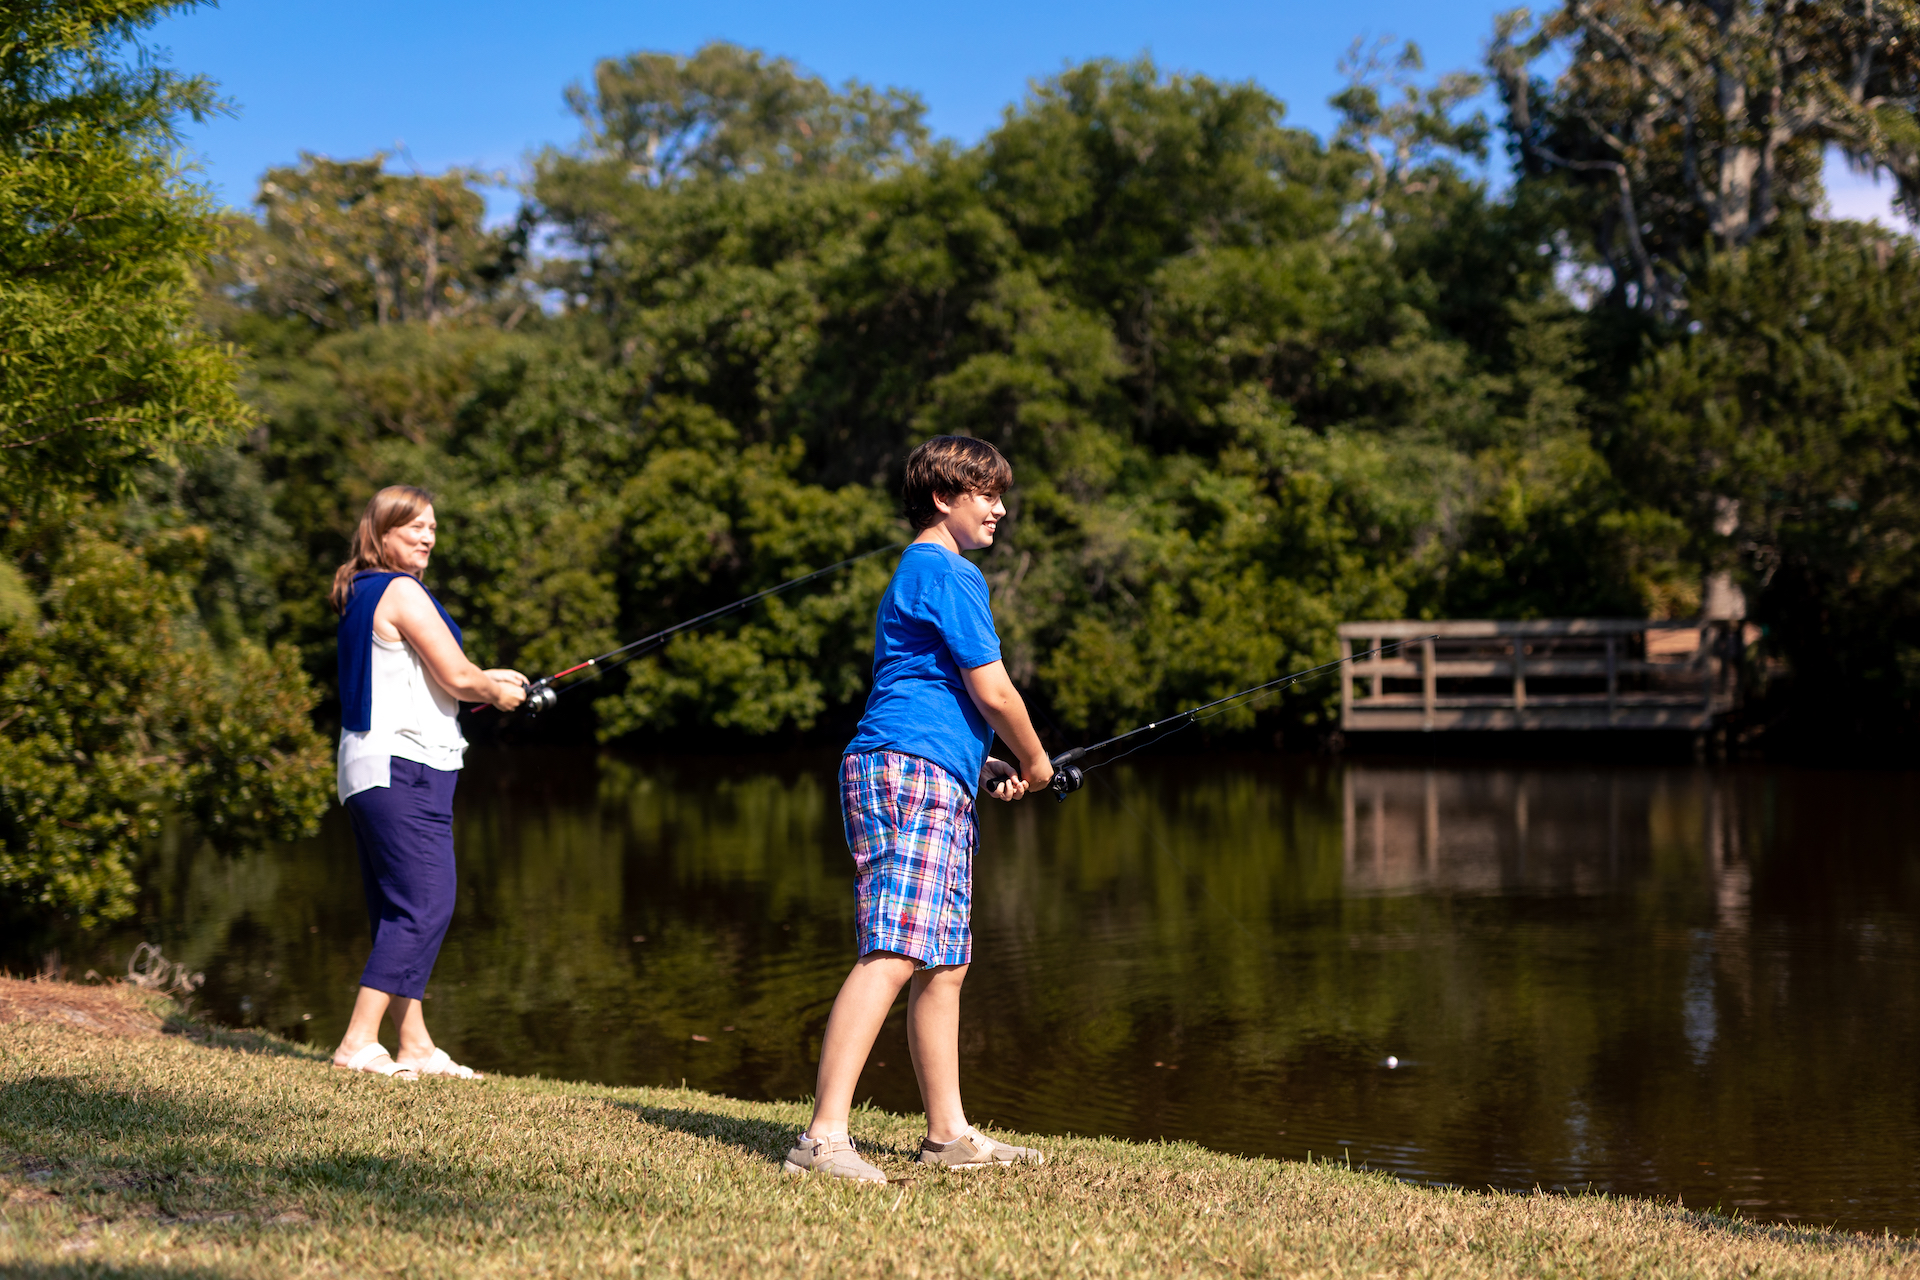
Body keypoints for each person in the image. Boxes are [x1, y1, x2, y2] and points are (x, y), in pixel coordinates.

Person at [784, 436, 1054, 1183]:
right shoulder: (949, 572)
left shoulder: (920, 572)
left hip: (931, 769)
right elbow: (994, 691)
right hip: (909, 771)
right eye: (987, 494)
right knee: (896, 948)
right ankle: (822, 1140)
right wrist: (1036, 764)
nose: (1000, 508)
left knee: (945, 961)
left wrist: (982, 763)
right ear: (945, 497)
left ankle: (949, 1135)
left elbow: (934, 693)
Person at [327, 485, 527, 1080]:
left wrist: (481, 679)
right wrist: (495, 690)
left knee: (397, 907)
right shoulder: (402, 590)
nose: (427, 537)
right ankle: (358, 1041)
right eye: (414, 526)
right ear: (381, 533)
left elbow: (417, 673)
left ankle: (413, 1043)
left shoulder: (361, 592)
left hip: (369, 765)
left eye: (433, 528)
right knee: (426, 903)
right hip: (404, 765)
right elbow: (457, 676)